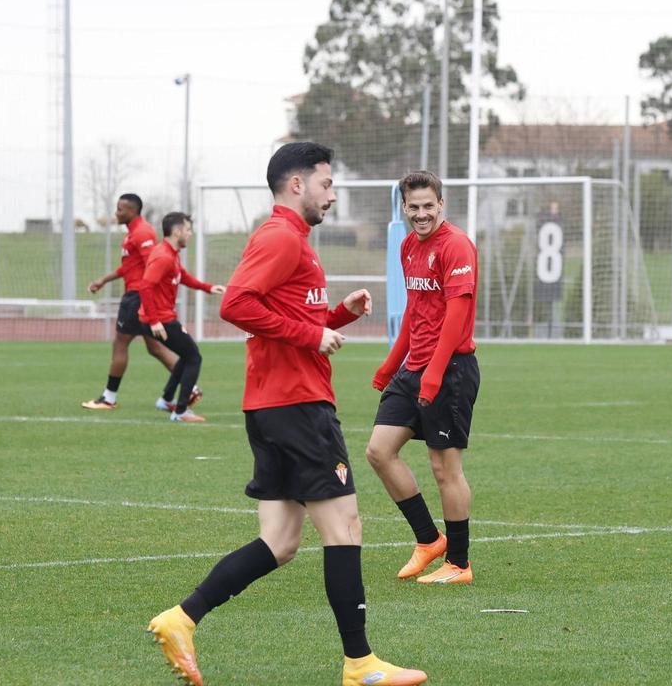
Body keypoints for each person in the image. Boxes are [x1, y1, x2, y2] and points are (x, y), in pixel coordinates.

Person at [147, 143, 426, 686]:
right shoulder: (279, 236)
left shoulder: (293, 240)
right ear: (296, 185)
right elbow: (237, 305)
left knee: (280, 541)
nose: (332, 194)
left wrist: (336, 316)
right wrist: (312, 333)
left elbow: (285, 314)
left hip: (273, 404)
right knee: (344, 528)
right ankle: (360, 664)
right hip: (297, 405)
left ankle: (181, 619)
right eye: (325, 183)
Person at [366, 170, 480, 585]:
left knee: (444, 469)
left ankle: (460, 564)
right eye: (413, 207)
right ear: (404, 208)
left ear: (441, 205)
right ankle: (430, 540)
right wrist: (391, 364)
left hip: (450, 370)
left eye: (428, 206)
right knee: (379, 451)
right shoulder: (407, 246)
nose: (421, 214)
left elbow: (456, 317)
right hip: (415, 368)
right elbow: (416, 313)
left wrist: (432, 376)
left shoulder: (457, 246)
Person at [82, 193, 190, 411]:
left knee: (121, 343)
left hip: (137, 296)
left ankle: (109, 398)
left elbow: (153, 263)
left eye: (121, 209)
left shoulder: (142, 233)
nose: (117, 213)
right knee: (154, 347)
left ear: (133, 211)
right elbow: (131, 267)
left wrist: (153, 299)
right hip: (138, 294)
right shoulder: (133, 233)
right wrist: (104, 280)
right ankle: (192, 386)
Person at [137, 212, 223, 423]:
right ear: (177, 232)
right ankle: (180, 411)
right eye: (188, 230)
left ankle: (166, 399)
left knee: (187, 357)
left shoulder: (171, 253)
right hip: (160, 320)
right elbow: (146, 286)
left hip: (160, 318)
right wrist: (155, 320)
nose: (190, 234)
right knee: (194, 357)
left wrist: (208, 288)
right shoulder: (163, 256)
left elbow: (182, 276)